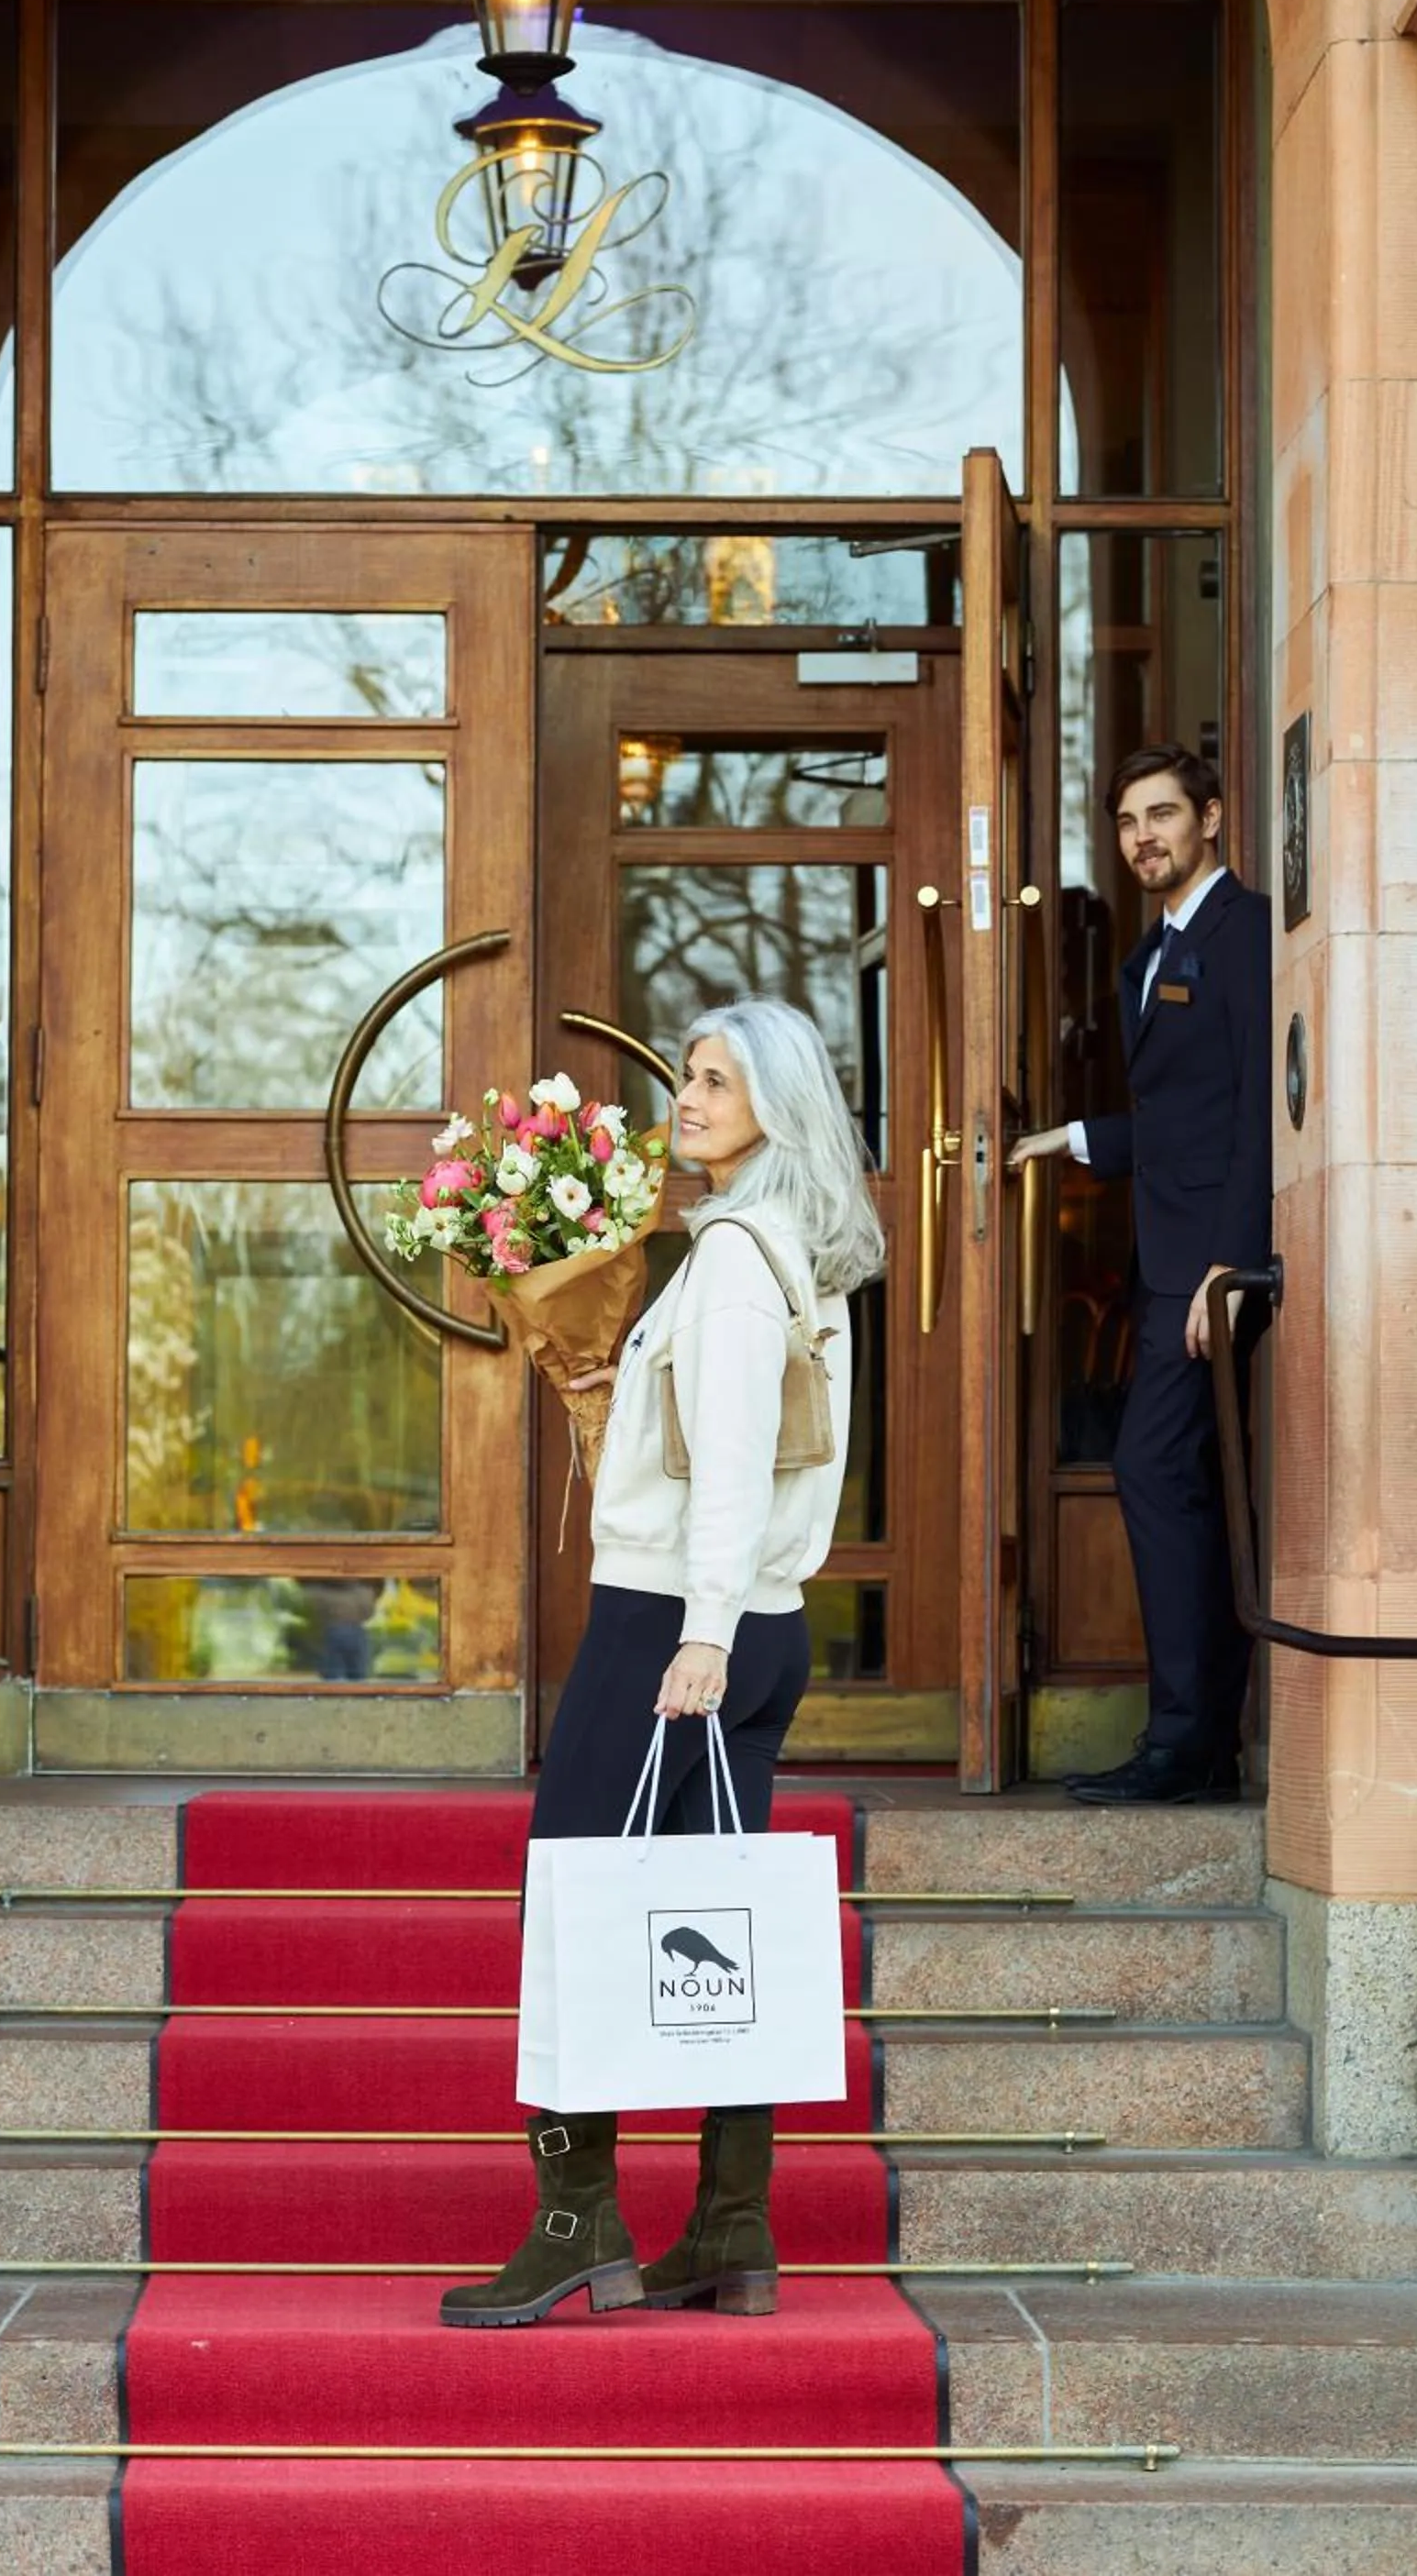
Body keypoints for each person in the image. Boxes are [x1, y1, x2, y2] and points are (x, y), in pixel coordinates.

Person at [440, 996, 884, 2329]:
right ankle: (731, 2231)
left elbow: (740, 1463)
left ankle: (577, 2225)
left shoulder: (741, 1258)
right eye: (688, 1077)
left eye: (717, 1082)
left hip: (675, 1628)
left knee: (567, 1912)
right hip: (757, 1625)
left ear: (778, 1108)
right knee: (722, 1932)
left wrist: (697, 1634)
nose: (686, 1100)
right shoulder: (781, 1249)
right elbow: (723, 1446)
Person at [1012, 746, 1271, 1806]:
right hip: (1170, 1254)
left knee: (1149, 1470)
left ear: (1209, 818)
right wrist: (1071, 1137)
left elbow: (1261, 1103)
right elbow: (1176, 1116)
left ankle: (1181, 1738)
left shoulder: (1246, 932)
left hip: (1208, 1262)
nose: (1141, 838)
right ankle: (1198, 1739)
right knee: (1182, 1482)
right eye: (1126, 822)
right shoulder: (1152, 948)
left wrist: (1229, 1264)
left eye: (1161, 814)